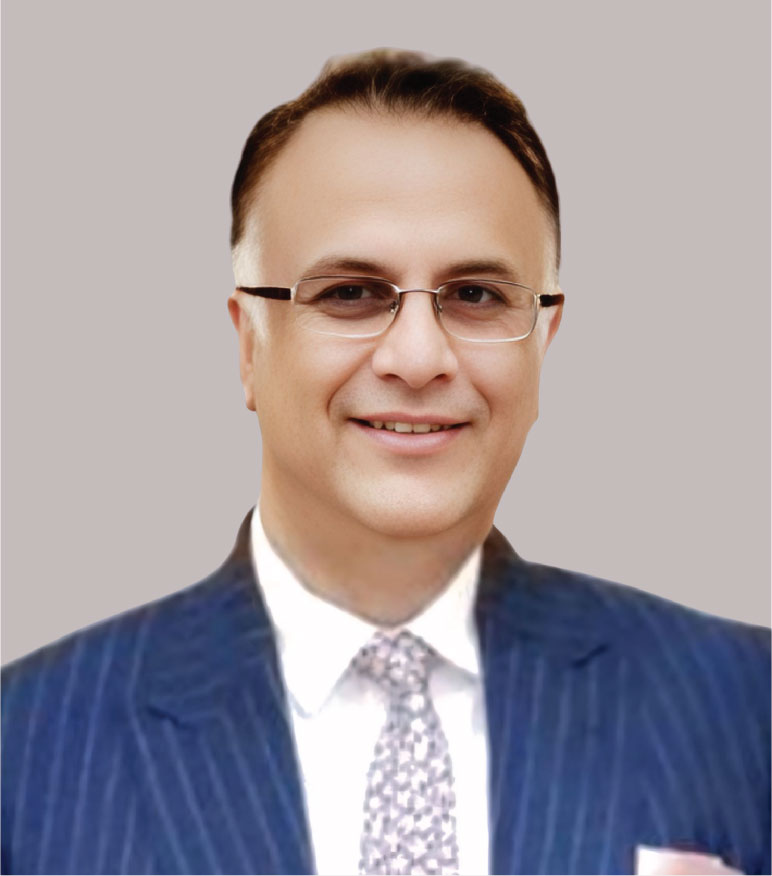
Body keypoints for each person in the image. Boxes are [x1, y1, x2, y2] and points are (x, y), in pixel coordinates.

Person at [1, 49, 769, 876]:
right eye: (350, 294)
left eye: (475, 295)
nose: (417, 357)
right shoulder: (27, 748)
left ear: (543, 341)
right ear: (248, 344)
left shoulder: (744, 706)